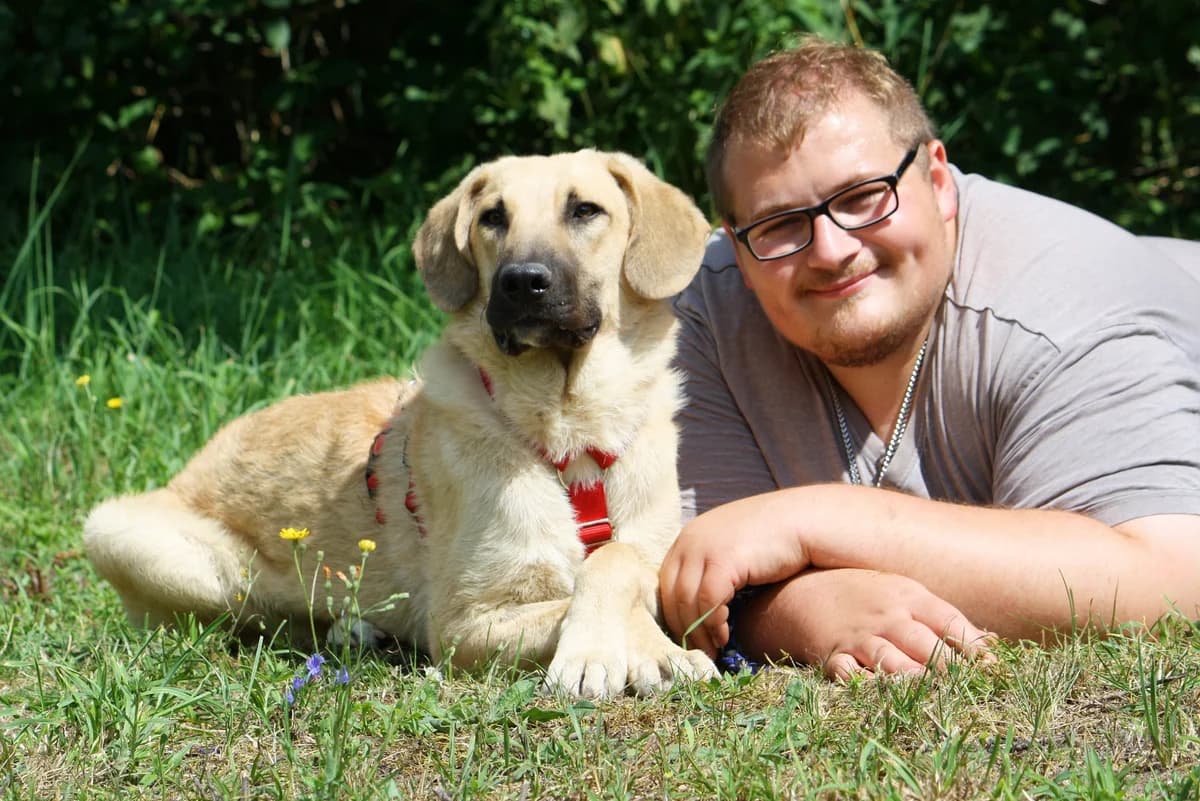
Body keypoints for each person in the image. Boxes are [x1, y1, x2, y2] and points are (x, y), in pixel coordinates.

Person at [659, 35, 1200, 681]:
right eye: (780, 224)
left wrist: (816, 518)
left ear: (939, 181)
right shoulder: (701, 313)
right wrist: (804, 607)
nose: (830, 250)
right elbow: (701, 566)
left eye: (862, 196)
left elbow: (1170, 580)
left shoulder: (1068, 310)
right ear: (737, 247)